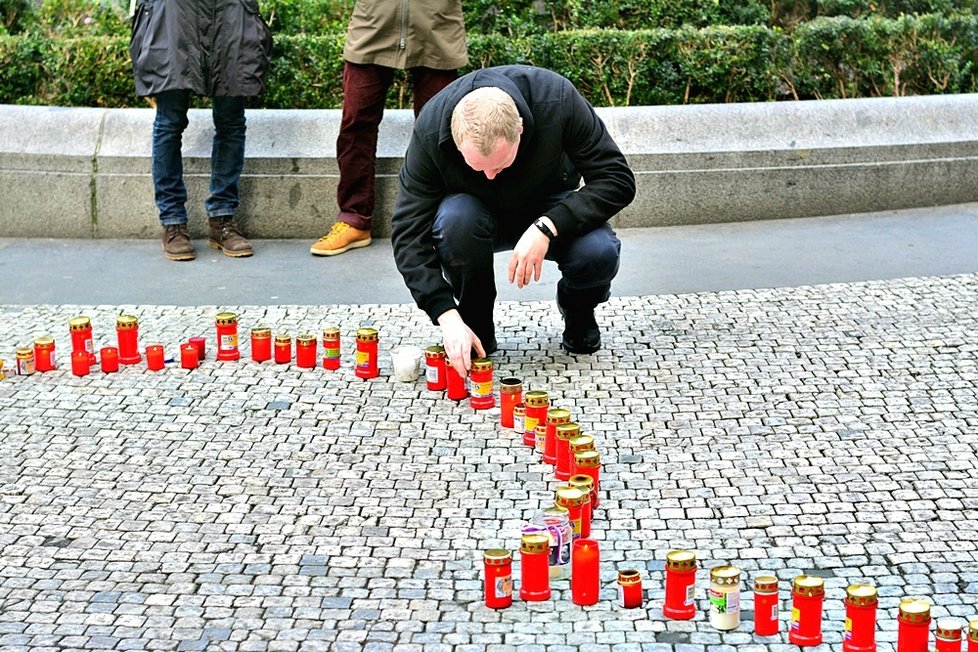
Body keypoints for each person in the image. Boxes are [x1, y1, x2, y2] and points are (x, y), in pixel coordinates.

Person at [390, 65, 636, 375]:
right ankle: (475, 326)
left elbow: (617, 179)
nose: (491, 176)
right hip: (472, 216)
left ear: (519, 128)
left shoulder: (557, 98)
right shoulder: (429, 131)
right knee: (454, 220)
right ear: (455, 140)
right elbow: (408, 234)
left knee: (598, 251)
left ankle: (578, 309)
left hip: (549, 205)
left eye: (501, 164)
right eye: (478, 168)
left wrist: (547, 226)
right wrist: (445, 315)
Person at [310, 0, 468, 257]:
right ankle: (354, 220)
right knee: (355, 124)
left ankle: (439, 222)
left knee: (439, 130)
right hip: (372, 23)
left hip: (436, 25)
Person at [129, 0, 272, 261]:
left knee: (231, 121)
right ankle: (172, 222)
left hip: (230, 10)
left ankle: (222, 218)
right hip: (174, 12)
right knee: (169, 123)